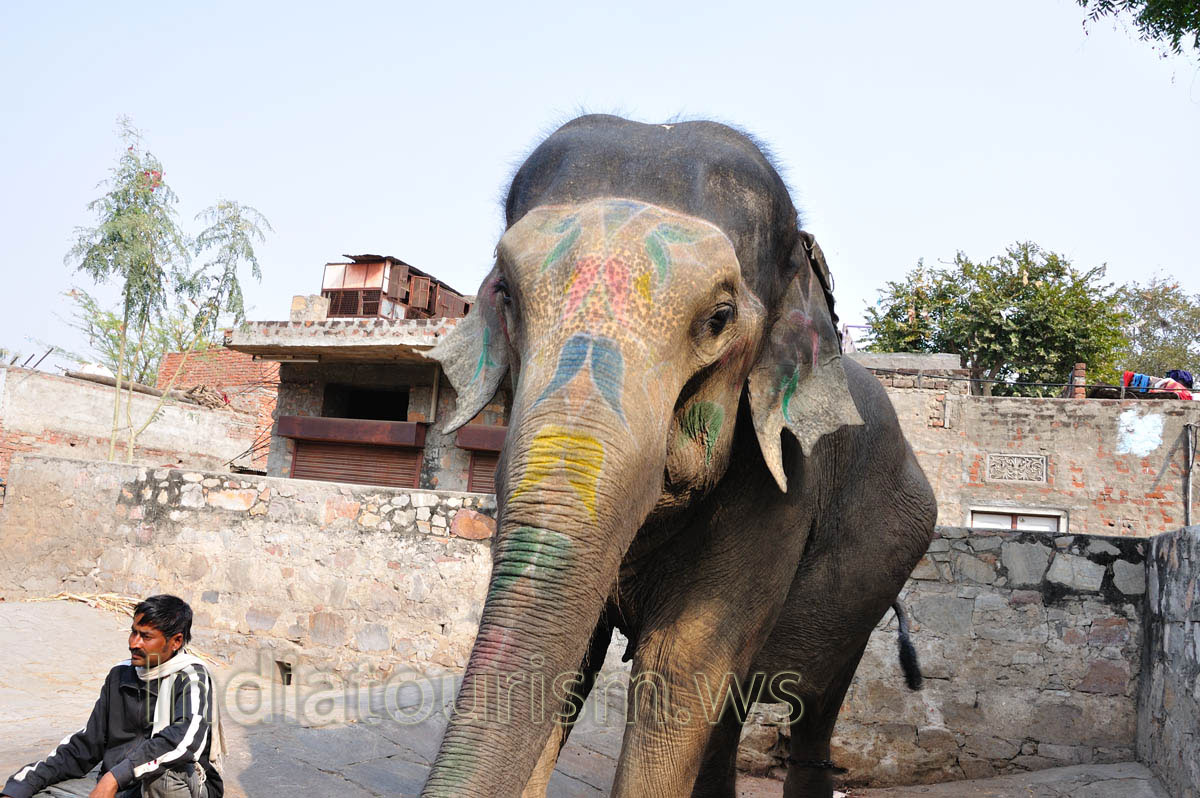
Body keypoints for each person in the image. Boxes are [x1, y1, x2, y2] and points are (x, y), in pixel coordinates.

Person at [1, 595, 223, 798]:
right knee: (39, 793)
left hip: (169, 785)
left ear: (175, 641)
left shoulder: (192, 676)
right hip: (121, 784)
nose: (134, 643)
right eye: (133, 632)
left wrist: (115, 777)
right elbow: (85, 745)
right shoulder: (120, 674)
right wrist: (20, 786)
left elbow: (183, 741)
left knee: (163, 778)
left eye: (146, 636)